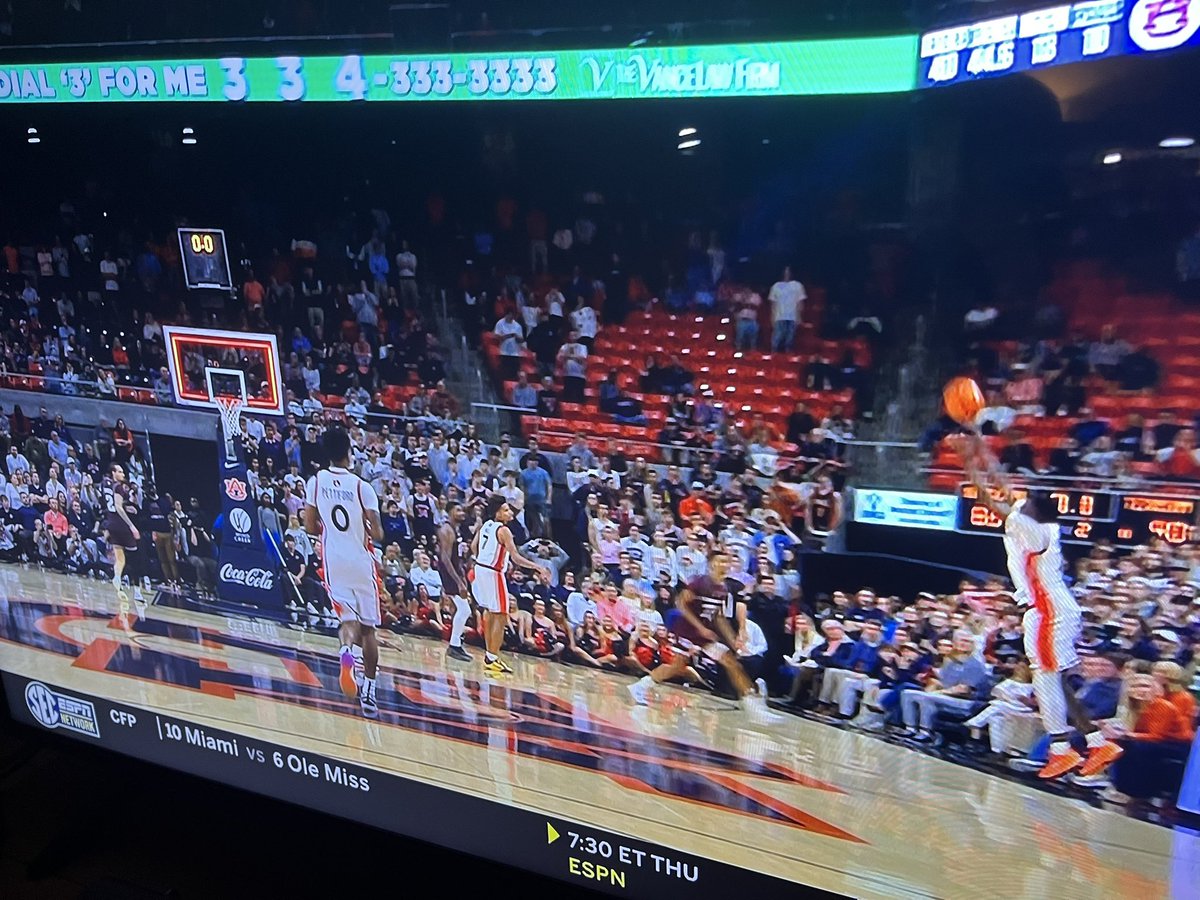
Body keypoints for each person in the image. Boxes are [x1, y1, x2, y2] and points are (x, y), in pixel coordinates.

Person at [963, 433, 1124, 779]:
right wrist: (980, 444)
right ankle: (1096, 743)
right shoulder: (1028, 520)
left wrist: (967, 462)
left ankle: (1061, 749)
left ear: (1036, 515)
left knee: (1046, 680)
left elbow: (992, 501)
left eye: (1027, 505)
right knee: (1054, 681)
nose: (1020, 505)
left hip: (1050, 610)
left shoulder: (1039, 532)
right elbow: (1004, 489)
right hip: (1045, 610)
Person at [627, 549, 781, 724]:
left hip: (704, 635)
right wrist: (700, 627)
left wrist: (733, 639)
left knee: (732, 662)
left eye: (727, 561)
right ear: (712, 564)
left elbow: (718, 617)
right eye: (721, 561)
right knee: (677, 667)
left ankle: (754, 708)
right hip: (686, 631)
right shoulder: (700, 583)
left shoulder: (723, 588)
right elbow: (680, 603)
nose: (725, 564)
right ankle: (641, 686)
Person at [304, 427, 384, 719]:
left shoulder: (316, 482)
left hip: (334, 561)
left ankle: (346, 651)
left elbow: (310, 527)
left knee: (347, 622)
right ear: (349, 451)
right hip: (361, 561)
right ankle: (370, 691)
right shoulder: (363, 487)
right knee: (369, 630)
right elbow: (377, 531)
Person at [469, 496, 550, 678]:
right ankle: (492, 657)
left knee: (490, 613)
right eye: (506, 510)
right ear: (497, 512)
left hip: (480, 569)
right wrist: (537, 566)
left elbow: (474, 547)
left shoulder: (486, 526)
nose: (510, 512)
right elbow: (516, 557)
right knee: (502, 614)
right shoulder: (504, 530)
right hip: (493, 573)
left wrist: (483, 559)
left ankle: (490, 656)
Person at [102, 463, 142, 604]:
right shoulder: (118, 486)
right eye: (120, 471)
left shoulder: (106, 486)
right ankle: (137, 591)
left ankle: (117, 578)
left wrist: (127, 507)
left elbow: (111, 505)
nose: (123, 474)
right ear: (113, 473)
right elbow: (118, 506)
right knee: (135, 559)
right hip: (121, 524)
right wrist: (132, 526)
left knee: (120, 559)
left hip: (111, 523)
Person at [768, 265, 805, 351]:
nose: (787, 273)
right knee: (776, 339)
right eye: (785, 271)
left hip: (792, 317)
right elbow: (773, 303)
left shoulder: (798, 285)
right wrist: (772, 317)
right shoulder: (776, 286)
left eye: (788, 271)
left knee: (790, 341)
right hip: (779, 316)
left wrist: (799, 316)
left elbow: (800, 302)